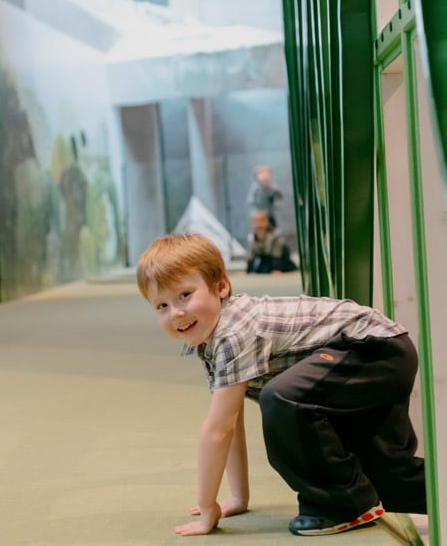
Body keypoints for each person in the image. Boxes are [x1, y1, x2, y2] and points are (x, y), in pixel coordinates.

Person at [136, 233, 426, 537]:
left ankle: (341, 505)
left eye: (184, 295)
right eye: (161, 306)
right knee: (390, 480)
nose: (176, 313)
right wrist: (238, 497)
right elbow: (230, 421)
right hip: (379, 353)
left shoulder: (233, 333)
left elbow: (218, 430)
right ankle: (382, 494)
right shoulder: (210, 341)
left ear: (221, 286)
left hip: (373, 349)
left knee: (282, 398)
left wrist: (207, 507)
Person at [246, 209, 297, 274]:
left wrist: (276, 269)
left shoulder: (275, 236)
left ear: (267, 221)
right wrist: (247, 271)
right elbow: (251, 257)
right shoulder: (251, 238)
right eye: (255, 221)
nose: (258, 224)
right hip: (265, 262)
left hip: (280, 261)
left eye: (261, 221)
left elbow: (277, 255)